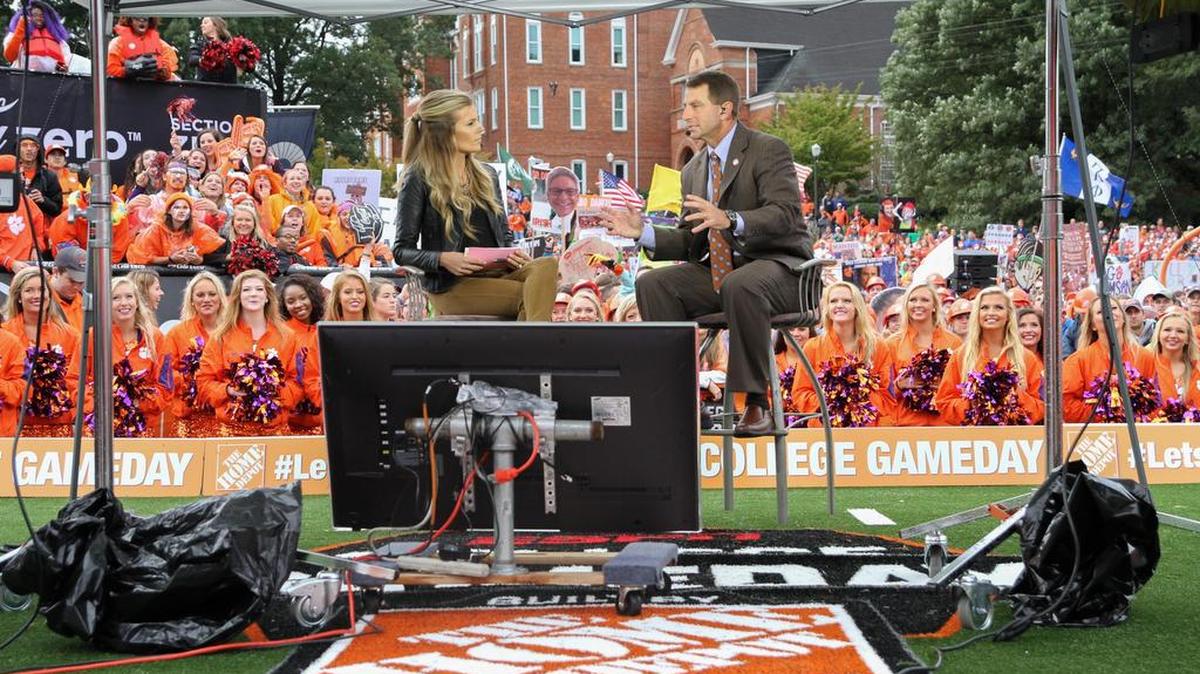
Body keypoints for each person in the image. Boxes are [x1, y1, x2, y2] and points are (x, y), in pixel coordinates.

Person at [601, 70, 809, 436]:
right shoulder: (693, 169)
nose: (686, 115)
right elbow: (691, 241)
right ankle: (679, 400)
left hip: (781, 271)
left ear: (725, 108)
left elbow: (785, 214)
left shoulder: (767, 149)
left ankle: (755, 403)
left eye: (696, 105)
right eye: (685, 106)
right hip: (723, 275)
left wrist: (729, 219)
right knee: (653, 285)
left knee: (741, 285)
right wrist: (643, 231)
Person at [394, 89, 557, 320]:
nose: (481, 129)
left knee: (547, 265)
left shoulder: (487, 175)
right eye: (470, 123)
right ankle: (537, 354)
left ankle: (528, 352)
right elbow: (401, 250)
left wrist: (514, 255)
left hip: (496, 275)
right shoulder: (418, 178)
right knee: (531, 296)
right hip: (451, 286)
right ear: (444, 133)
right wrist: (443, 259)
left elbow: (505, 235)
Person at [196, 270, 303, 434]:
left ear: (267, 296)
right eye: (246, 290)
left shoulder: (288, 336)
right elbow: (203, 382)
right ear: (238, 297)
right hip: (231, 432)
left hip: (274, 431)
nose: (253, 294)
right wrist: (229, 390)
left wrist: (273, 393)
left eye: (259, 289)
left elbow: (298, 382)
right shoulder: (220, 337)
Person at [934, 287, 1044, 426]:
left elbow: (1041, 408)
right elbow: (943, 403)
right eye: (984, 308)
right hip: (973, 441)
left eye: (998, 307)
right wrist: (975, 402)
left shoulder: (1026, 358)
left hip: (1014, 442)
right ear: (977, 314)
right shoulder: (960, 355)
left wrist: (1017, 394)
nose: (991, 313)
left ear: (1009, 314)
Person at [792, 282, 894, 427]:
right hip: (824, 431)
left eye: (847, 301)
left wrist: (855, 398)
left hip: (867, 431)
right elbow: (800, 393)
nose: (839, 305)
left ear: (857, 306)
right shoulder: (812, 347)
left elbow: (887, 395)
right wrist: (833, 401)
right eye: (833, 301)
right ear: (827, 308)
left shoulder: (878, 346)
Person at [3, 266, 81, 435]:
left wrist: (74, 416)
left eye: (41, 289)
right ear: (18, 297)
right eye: (29, 290)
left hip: (59, 426)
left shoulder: (71, 335)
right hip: (16, 427)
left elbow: (77, 380)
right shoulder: (5, 334)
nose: (36, 295)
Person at [1062, 296, 1158, 423]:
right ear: (1093, 325)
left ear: (1123, 318)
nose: (1109, 312)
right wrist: (1106, 415)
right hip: (1096, 438)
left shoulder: (1146, 357)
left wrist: (1137, 417)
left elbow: (1157, 401)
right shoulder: (1077, 361)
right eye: (1101, 311)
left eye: (1113, 308)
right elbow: (1066, 405)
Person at [91, 276, 168, 437]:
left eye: (128, 296)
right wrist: (104, 403)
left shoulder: (156, 337)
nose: (124, 303)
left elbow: (165, 386)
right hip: (100, 429)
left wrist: (139, 402)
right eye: (116, 298)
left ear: (137, 301)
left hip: (144, 428)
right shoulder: (94, 335)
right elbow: (75, 381)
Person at [885, 282, 962, 427]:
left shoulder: (954, 342)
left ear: (934, 306)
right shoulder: (892, 344)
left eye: (925, 300)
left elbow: (963, 387)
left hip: (944, 426)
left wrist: (942, 385)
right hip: (906, 427)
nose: (918, 304)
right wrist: (898, 385)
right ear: (906, 306)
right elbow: (883, 393)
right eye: (913, 300)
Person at [162, 271, 226, 436]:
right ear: (191, 300)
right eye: (200, 295)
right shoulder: (177, 333)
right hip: (187, 418)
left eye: (212, 294)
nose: (206, 299)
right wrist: (191, 382)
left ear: (220, 298)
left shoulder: (232, 332)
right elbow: (165, 371)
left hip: (223, 418)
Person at [278, 274, 325, 431]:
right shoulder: (282, 333)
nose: (298, 305)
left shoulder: (325, 329)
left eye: (303, 298)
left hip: (323, 420)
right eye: (290, 301)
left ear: (312, 297)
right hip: (291, 421)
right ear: (284, 305)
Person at [125, 193, 226, 265]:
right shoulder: (156, 228)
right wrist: (170, 259)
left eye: (185, 208)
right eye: (177, 207)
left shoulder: (198, 228)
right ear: (169, 211)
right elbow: (143, 257)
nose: (181, 211)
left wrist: (196, 259)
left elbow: (203, 258)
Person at [0, 154, 44, 272]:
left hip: (25, 267)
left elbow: (38, 226)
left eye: (22, 174)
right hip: (3, 269)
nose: (24, 179)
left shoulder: (26, 201)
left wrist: (36, 247)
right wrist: (10, 262)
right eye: (18, 175)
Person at [4, 1, 72, 72]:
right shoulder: (17, 33)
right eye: (34, 15)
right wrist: (21, 29)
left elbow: (66, 61)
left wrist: (62, 67)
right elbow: (10, 56)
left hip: (51, 80)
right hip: (22, 79)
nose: (38, 18)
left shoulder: (58, 40)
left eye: (42, 16)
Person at [1151, 311, 1200, 409]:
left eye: (1180, 331)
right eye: (1167, 330)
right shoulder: (1148, 364)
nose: (1173, 335)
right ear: (1158, 335)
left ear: (1188, 339)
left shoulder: (1197, 367)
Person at [323, 202, 394, 268]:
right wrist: (339, 267)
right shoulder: (329, 236)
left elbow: (383, 252)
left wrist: (379, 263)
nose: (348, 217)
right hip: (343, 275)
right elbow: (327, 259)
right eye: (344, 214)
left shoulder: (367, 232)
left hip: (368, 272)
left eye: (352, 214)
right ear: (338, 217)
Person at [106, 16, 178, 80]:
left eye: (145, 18)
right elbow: (111, 70)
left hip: (154, 90)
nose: (141, 20)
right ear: (130, 20)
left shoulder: (161, 45)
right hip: (125, 90)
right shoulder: (118, 43)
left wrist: (157, 68)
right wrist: (135, 67)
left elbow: (167, 73)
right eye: (137, 17)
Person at [17, 135, 64, 224]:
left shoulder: (49, 176)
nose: (29, 149)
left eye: (34, 145)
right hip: (13, 227)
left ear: (38, 150)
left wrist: (43, 200)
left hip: (40, 230)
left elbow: (57, 210)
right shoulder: (9, 174)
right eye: (24, 145)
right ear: (17, 149)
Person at [50, 246, 87, 334]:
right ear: (55, 272)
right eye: (72, 281)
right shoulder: (40, 301)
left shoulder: (87, 299)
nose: (77, 287)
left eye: (81, 282)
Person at [187, 16, 236, 83]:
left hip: (228, 88)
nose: (201, 25)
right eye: (202, 23)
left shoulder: (231, 46)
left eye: (205, 22)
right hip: (205, 88)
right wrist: (205, 60)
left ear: (216, 25)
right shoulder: (200, 45)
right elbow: (192, 59)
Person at [546, 166, 581, 242]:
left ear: (578, 196)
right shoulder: (541, 226)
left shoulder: (586, 226)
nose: (563, 197)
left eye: (570, 191)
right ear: (548, 195)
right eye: (556, 191)